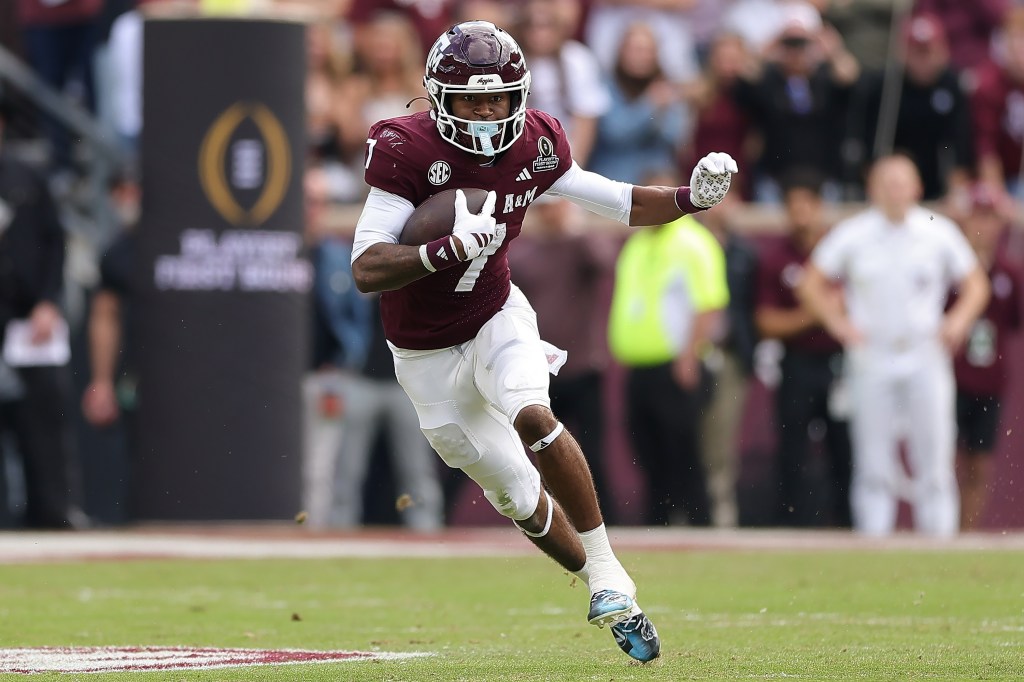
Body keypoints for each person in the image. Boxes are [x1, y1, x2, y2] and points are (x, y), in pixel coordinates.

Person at [350, 20, 737, 662]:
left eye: (495, 98)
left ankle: (610, 570)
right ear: (438, 96)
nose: (483, 112)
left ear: (517, 96)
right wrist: (442, 249)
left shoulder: (535, 141)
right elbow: (366, 267)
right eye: (469, 98)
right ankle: (606, 588)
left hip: (495, 313)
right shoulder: (404, 147)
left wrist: (687, 198)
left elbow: (610, 200)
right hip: (422, 353)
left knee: (533, 412)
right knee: (517, 496)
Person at [797, 155, 989, 537]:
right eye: (887, 182)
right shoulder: (854, 234)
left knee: (934, 456)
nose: (895, 190)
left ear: (917, 188)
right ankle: (874, 543)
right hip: (872, 353)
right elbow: (809, 283)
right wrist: (839, 324)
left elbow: (975, 284)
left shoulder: (938, 231)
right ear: (872, 188)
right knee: (873, 459)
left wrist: (957, 321)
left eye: (902, 182)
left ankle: (939, 543)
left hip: (924, 352)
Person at [607, 197, 727, 528]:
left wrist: (690, 355)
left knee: (684, 453)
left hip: (677, 366)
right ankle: (658, 526)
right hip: (640, 368)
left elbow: (709, 303)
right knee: (647, 453)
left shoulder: (693, 242)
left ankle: (700, 525)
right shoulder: (637, 243)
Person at [0, 97, 87, 529]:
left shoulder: (27, 175)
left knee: (42, 425)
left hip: (28, 322)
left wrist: (49, 301)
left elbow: (56, 242)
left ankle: (53, 513)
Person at [755, 170, 852, 528]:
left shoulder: (841, 253)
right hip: (797, 362)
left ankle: (848, 523)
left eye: (806, 205)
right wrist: (818, 313)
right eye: (792, 206)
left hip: (841, 363)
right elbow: (765, 322)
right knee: (792, 448)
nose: (800, 214)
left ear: (819, 207)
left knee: (844, 447)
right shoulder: (776, 258)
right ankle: (791, 524)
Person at [949, 184, 1022, 530]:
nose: (984, 225)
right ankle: (937, 533)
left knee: (980, 464)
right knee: (944, 462)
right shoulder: (947, 268)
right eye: (978, 215)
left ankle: (966, 534)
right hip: (949, 379)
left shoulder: (1010, 271)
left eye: (991, 217)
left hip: (989, 381)